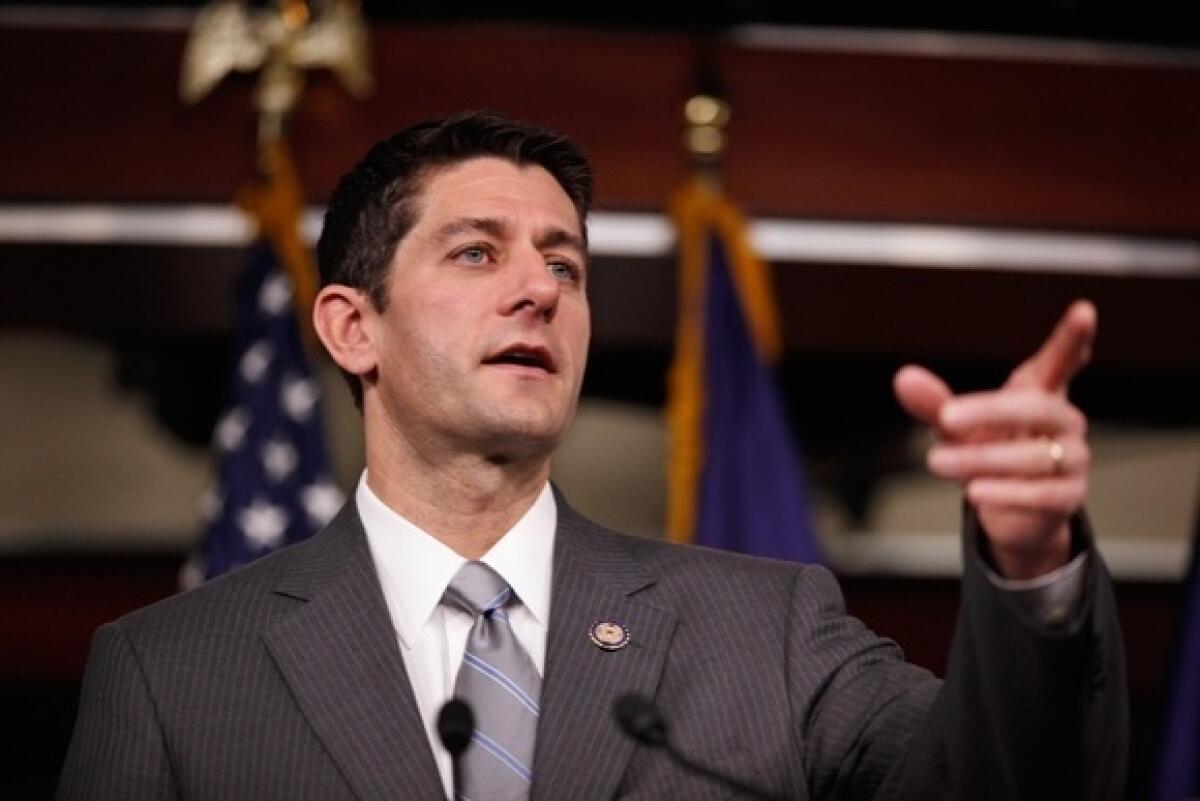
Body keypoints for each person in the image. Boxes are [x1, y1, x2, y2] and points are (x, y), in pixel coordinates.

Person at [58, 111, 1126, 800]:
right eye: (477, 252)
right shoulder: (170, 675)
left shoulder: (769, 635)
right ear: (351, 328)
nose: (541, 288)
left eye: (563, 263)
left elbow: (1004, 783)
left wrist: (1033, 569)